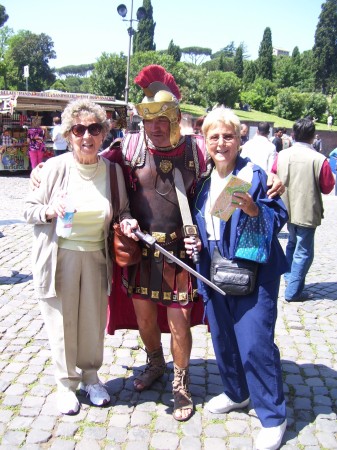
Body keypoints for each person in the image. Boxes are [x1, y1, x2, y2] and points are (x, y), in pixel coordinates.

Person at [30, 65, 285, 423]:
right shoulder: (130, 148)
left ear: (175, 118)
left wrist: (268, 174)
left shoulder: (196, 152)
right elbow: (90, 163)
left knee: (179, 322)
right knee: (145, 319)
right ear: (143, 122)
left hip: (180, 253)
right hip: (141, 252)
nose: (157, 126)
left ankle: (181, 382)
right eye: (150, 120)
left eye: (164, 119)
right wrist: (44, 169)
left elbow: (231, 159)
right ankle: (155, 364)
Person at [24, 99, 138, 415]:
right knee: (62, 323)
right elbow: (28, 209)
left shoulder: (113, 172)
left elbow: (124, 208)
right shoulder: (54, 168)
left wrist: (127, 219)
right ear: (69, 134)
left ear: (103, 133)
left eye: (94, 129)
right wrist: (49, 209)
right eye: (79, 129)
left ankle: (90, 377)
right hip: (59, 257)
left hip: (97, 258)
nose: (86, 136)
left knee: (91, 322)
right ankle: (66, 384)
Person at [186, 107, 288, 450]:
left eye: (228, 136)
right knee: (223, 338)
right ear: (205, 140)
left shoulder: (255, 175)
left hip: (253, 273)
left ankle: (273, 415)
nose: (221, 142)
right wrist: (196, 241)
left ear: (239, 138)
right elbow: (204, 223)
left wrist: (255, 210)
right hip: (213, 269)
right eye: (214, 136)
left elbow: (280, 215)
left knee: (255, 342)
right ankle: (236, 391)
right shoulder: (202, 181)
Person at [275, 118, 334, 302]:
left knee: (292, 244)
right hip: (307, 210)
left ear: (293, 134)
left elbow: (273, 174)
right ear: (312, 137)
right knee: (304, 251)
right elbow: (327, 186)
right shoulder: (319, 159)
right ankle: (293, 291)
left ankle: (289, 279)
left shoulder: (282, 155)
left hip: (286, 208)